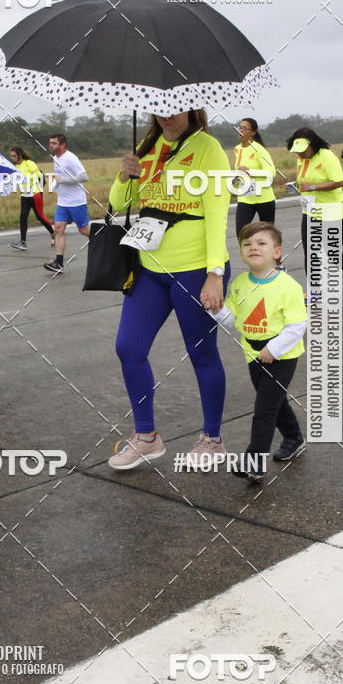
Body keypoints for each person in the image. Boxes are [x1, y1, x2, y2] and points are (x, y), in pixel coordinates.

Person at [107, 109, 231, 472]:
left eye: (172, 108)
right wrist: (124, 174)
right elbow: (118, 204)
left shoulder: (208, 148)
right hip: (148, 266)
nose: (164, 115)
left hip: (195, 268)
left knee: (202, 354)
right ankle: (146, 436)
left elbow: (217, 212)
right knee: (128, 348)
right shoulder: (147, 146)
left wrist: (215, 273)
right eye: (157, 108)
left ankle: (212, 439)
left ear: (191, 108)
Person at [209, 222, 306, 482]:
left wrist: (273, 348)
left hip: (281, 355)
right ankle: (295, 437)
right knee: (275, 402)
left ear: (277, 252)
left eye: (261, 243)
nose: (253, 247)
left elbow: (297, 325)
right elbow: (232, 319)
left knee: (264, 409)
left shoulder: (288, 286)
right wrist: (217, 309)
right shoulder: (239, 284)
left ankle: (255, 462)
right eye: (247, 244)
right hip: (252, 354)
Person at [287, 128, 343, 297]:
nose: (301, 154)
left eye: (303, 150)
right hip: (311, 211)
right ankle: (314, 290)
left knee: (331, 251)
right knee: (310, 251)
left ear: (312, 144)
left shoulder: (327, 156)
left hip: (333, 211)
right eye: (297, 151)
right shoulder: (301, 159)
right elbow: (304, 179)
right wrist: (296, 184)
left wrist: (313, 187)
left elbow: (339, 182)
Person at [43, 134, 90, 273]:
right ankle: (58, 263)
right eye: (50, 143)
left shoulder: (70, 158)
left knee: (84, 230)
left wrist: (63, 180)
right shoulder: (56, 158)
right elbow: (60, 179)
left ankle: (104, 240)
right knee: (58, 229)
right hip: (63, 202)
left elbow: (83, 177)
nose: (51, 145)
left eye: (54, 143)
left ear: (63, 145)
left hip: (76, 202)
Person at [233, 117, 276, 237]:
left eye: (244, 128)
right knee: (241, 234)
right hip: (245, 198)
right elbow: (240, 171)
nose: (240, 130)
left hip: (263, 198)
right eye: (239, 128)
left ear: (253, 132)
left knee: (268, 237)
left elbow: (271, 172)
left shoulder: (259, 149)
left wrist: (250, 172)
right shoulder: (237, 149)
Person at [9, 146, 55, 251]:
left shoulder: (29, 163)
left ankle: (53, 233)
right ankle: (23, 242)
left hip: (35, 194)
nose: (12, 158)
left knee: (40, 217)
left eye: (14, 156)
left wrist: (25, 179)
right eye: (11, 156)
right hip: (24, 195)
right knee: (23, 217)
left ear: (20, 154)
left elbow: (39, 175)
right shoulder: (14, 166)